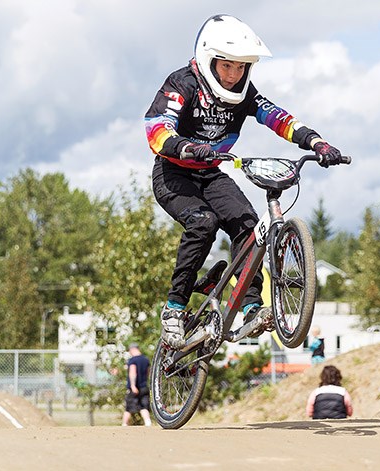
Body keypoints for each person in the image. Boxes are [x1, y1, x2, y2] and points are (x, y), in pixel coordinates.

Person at [145, 15, 344, 348]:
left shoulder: (244, 93)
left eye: (241, 68)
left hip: (210, 173)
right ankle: (174, 308)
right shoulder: (182, 84)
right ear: (210, 59)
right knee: (203, 223)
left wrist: (315, 142)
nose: (234, 75)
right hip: (173, 174)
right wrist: (187, 146)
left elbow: (277, 117)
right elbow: (157, 130)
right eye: (227, 66)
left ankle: (251, 306)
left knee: (249, 226)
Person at [122, 343, 152, 427]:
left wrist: (132, 386)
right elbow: (148, 373)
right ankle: (148, 422)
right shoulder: (146, 360)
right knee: (144, 406)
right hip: (144, 386)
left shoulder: (133, 360)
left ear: (132, 349)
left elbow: (133, 372)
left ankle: (124, 424)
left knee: (129, 407)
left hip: (134, 388)